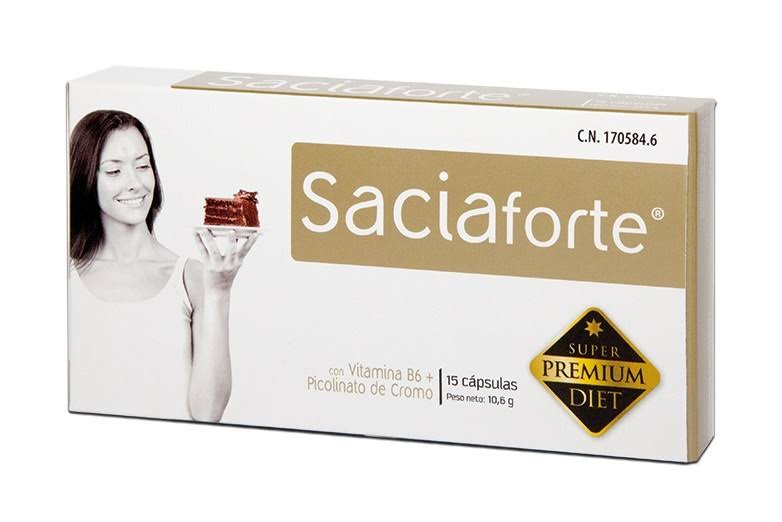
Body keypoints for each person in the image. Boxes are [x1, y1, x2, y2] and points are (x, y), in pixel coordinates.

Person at [68, 110, 258, 422]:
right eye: (114, 171)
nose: (135, 183)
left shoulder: (192, 278)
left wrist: (219, 292)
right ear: (87, 178)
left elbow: (208, 412)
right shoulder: (66, 279)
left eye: (143, 166)